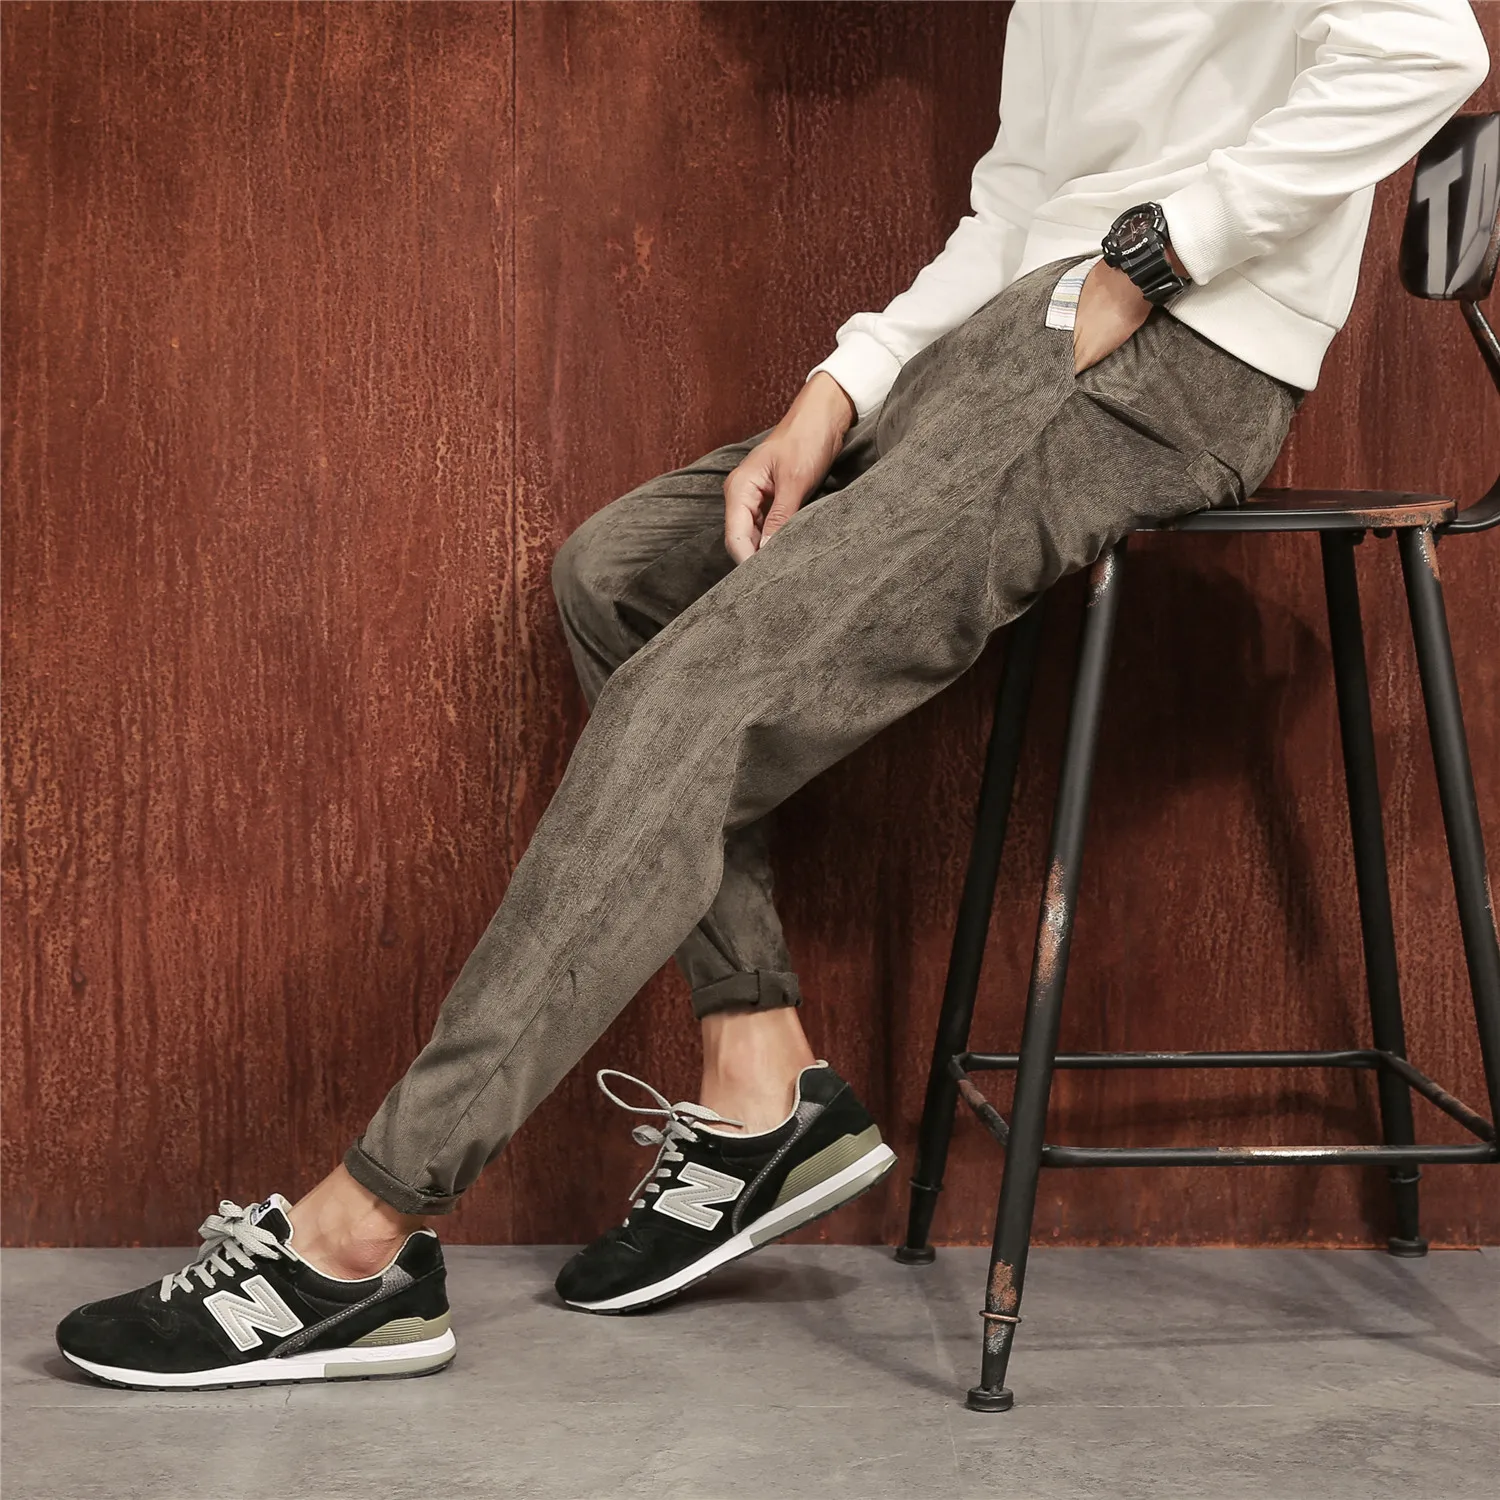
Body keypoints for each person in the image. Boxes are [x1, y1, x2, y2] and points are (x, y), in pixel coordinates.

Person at [55, 0, 1488, 1390]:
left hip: (1170, 355)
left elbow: (1428, 48)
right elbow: (1019, 196)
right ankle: (760, 1087)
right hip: (1029, 321)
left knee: (696, 695)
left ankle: (356, 1240)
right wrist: (843, 387)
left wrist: (1161, 250)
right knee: (620, 576)